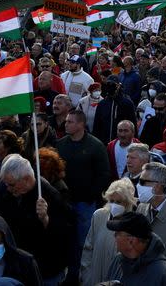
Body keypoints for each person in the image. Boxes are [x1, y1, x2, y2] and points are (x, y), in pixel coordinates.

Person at [0, 154, 72, 285]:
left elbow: (66, 234)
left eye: (11, 185)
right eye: (5, 184)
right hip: (15, 266)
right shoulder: (5, 191)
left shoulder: (52, 196)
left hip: (45, 269)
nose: (8, 188)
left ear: (26, 179)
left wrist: (46, 220)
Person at [56, 109, 110, 283]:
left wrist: (90, 195)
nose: (66, 124)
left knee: (83, 242)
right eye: (66, 121)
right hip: (64, 203)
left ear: (81, 124)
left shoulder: (95, 146)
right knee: (65, 241)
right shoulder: (61, 144)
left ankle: (81, 276)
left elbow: (103, 174)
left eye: (70, 122)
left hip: (85, 204)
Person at [80, 178, 137, 286]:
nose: (114, 205)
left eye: (119, 202)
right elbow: (88, 249)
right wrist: (87, 277)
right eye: (111, 201)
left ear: (128, 202)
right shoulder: (99, 216)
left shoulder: (133, 223)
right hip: (94, 279)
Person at [104, 211, 166, 286]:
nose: (114, 236)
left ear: (131, 241)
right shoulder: (118, 261)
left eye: (118, 234)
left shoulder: (163, 274)